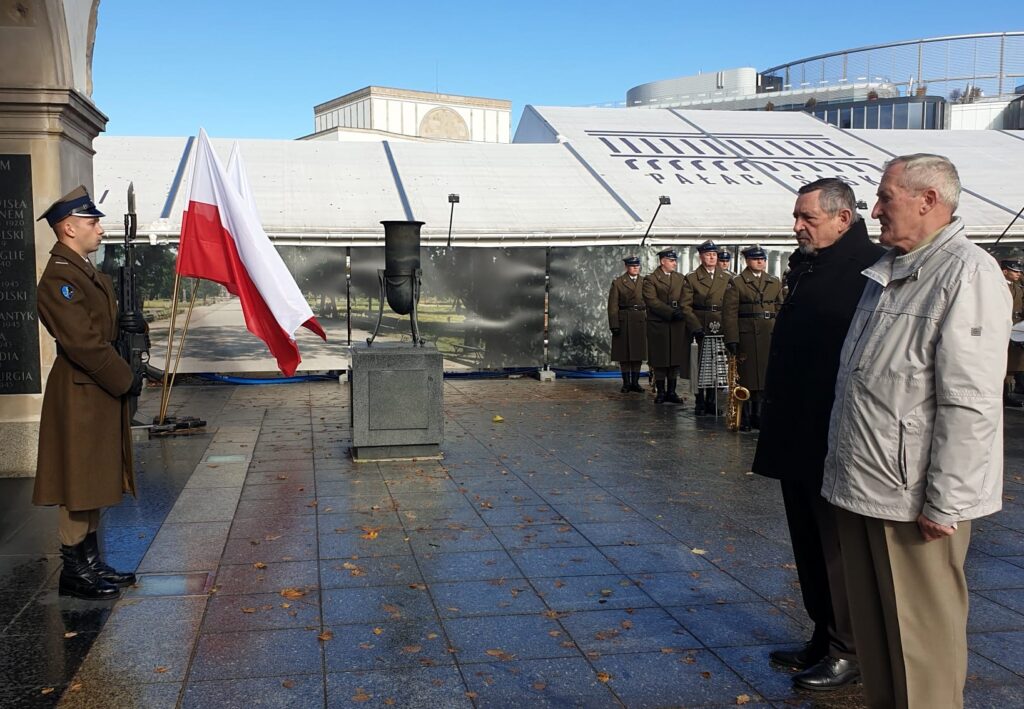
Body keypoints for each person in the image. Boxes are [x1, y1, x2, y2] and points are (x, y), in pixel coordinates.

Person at [823, 154, 1010, 707]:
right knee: (880, 641)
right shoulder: (889, 271)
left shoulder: (967, 274)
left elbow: (970, 404)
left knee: (921, 648)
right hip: (865, 485)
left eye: (886, 197)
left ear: (928, 200)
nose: (875, 209)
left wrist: (946, 501)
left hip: (914, 502)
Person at [752, 178, 883, 690]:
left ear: (842, 219)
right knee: (808, 542)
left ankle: (849, 647)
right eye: (796, 216)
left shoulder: (868, 269)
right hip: (797, 427)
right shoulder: (813, 264)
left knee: (836, 546)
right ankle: (823, 636)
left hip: (833, 431)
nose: (797, 226)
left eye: (807, 217)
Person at [33, 186, 145, 600]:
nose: (100, 229)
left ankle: (92, 562)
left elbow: (104, 329)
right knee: (78, 480)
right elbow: (83, 343)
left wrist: (134, 326)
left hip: (95, 386)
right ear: (68, 228)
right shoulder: (60, 278)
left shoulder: (82, 270)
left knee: (94, 476)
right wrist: (124, 378)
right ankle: (74, 571)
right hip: (81, 388)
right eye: (92, 222)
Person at [722, 245, 783, 431]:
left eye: (762, 259)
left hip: (768, 334)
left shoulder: (774, 281)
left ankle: (759, 414)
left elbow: (780, 308)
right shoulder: (737, 282)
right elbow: (730, 313)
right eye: (756, 259)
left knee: (764, 377)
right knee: (747, 377)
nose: (760, 262)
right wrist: (732, 338)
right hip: (747, 335)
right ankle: (746, 415)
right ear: (747, 261)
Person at [681, 240, 730, 415]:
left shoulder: (727, 277)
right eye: (708, 254)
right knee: (700, 365)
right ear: (701, 257)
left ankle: (712, 400)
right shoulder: (692, 278)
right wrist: (695, 326)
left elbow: (732, 304)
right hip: (701, 324)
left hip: (720, 325)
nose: (712, 257)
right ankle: (699, 400)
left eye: (714, 254)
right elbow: (685, 306)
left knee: (717, 365)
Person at [642, 249, 687, 404]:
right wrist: (671, 312)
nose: (675, 263)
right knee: (660, 359)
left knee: (674, 358)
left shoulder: (680, 278)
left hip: (676, 324)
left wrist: (682, 310)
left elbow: (686, 296)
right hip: (659, 323)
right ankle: (661, 392)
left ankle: (672, 391)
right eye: (671, 260)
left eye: (675, 260)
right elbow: (651, 301)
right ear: (662, 261)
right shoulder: (651, 279)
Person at [608, 255, 647, 393]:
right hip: (624, 320)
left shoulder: (645, 281)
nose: (635, 268)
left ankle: (635, 383)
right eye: (632, 266)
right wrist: (614, 324)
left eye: (637, 265)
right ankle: (626, 383)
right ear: (626, 267)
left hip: (640, 319)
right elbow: (613, 306)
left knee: (638, 354)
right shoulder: (618, 282)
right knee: (624, 355)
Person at [1001, 259, 1024, 407]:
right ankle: (1003, 394)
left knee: (1013, 363)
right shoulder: (998, 286)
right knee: (1003, 362)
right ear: (1005, 271)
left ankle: (1008, 393)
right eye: (1015, 271)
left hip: (1016, 327)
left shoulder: (1017, 287)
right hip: (1003, 327)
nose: (1018, 274)